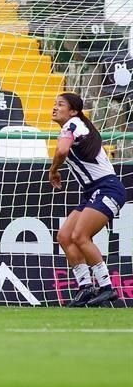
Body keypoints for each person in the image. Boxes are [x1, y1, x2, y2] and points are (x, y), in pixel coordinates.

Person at [50, 93, 124, 307]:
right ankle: (85, 287)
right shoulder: (76, 126)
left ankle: (106, 287)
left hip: (107, 188)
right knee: (64, 236)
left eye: (60, 105)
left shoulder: (72, 125)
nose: (55, 108)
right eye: (54, 104)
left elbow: (62, 150)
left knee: (80, 236)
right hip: (92, 191)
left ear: (73, 111)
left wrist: (53, 170)